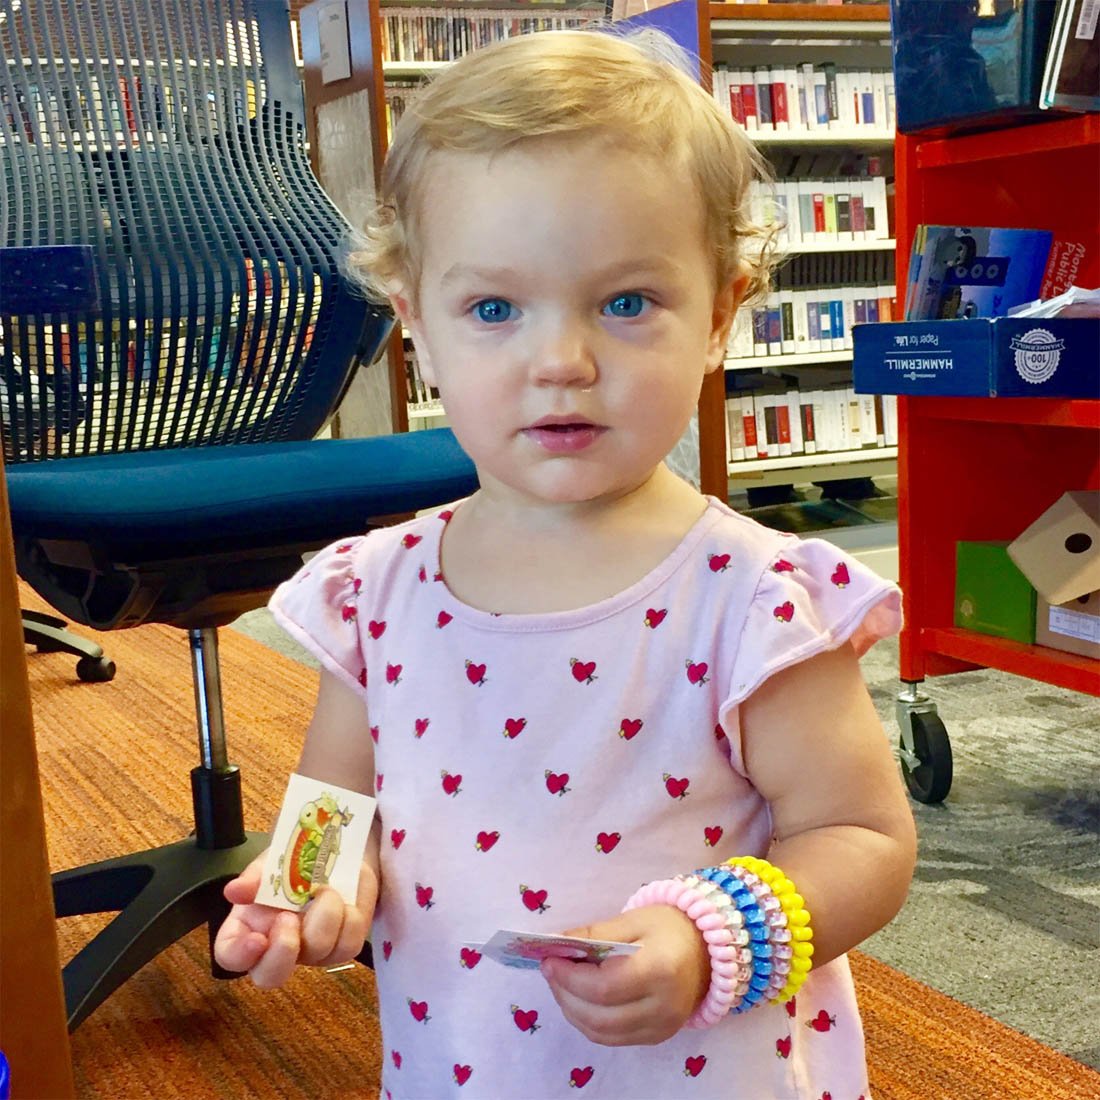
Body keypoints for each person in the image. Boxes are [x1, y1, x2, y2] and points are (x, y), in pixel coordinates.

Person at [214, 27, 916, 1099]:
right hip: (462, 1062)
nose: (561, 361)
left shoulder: (755, 599)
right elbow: (334, 796)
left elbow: (860, 835)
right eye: (493, 308)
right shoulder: (377, 591)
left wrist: (705, 936)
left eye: (626, 302)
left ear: (720, 311)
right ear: (416, 323)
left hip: (705, 1069)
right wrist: (306, 882)